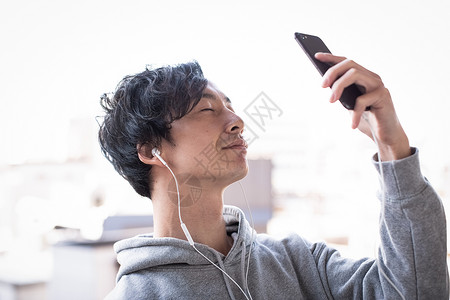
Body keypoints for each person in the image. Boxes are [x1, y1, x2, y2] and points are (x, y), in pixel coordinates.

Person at [98, 53, 448, 299]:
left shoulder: (299, 262)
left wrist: (393, 148)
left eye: (231, 107)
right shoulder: (135, 295)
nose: (237, 121)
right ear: (150, 151)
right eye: (207, 108)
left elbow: (415, 290)